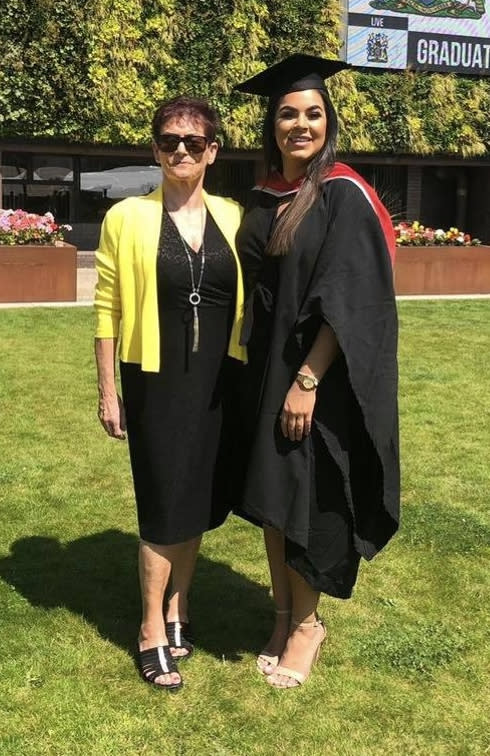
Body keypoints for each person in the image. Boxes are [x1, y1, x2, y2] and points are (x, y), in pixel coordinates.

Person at [233, 55, 400, 689]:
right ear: (271, 124)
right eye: (286, 114)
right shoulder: (267, 193)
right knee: (273, 500)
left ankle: (308, 626)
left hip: (315, 379)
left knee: (306, 502)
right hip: (266, 370)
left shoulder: (343, 194)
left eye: (312, 114)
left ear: (329, 122)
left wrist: (307, 380)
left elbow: (350, 296)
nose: (299, 125)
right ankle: (281, 615)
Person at [94, 96, 246, 691]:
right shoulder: (126, 217)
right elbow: (106, 308)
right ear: (154, 148)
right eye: (167, 141)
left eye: (193, 141)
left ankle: (181, 607)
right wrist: (108, 390)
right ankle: (151, 628)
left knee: (197, 498)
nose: (179, 150)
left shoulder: (235, 216)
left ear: (213, 151)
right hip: (154, 379)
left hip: (218, 379)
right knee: (163, 503)